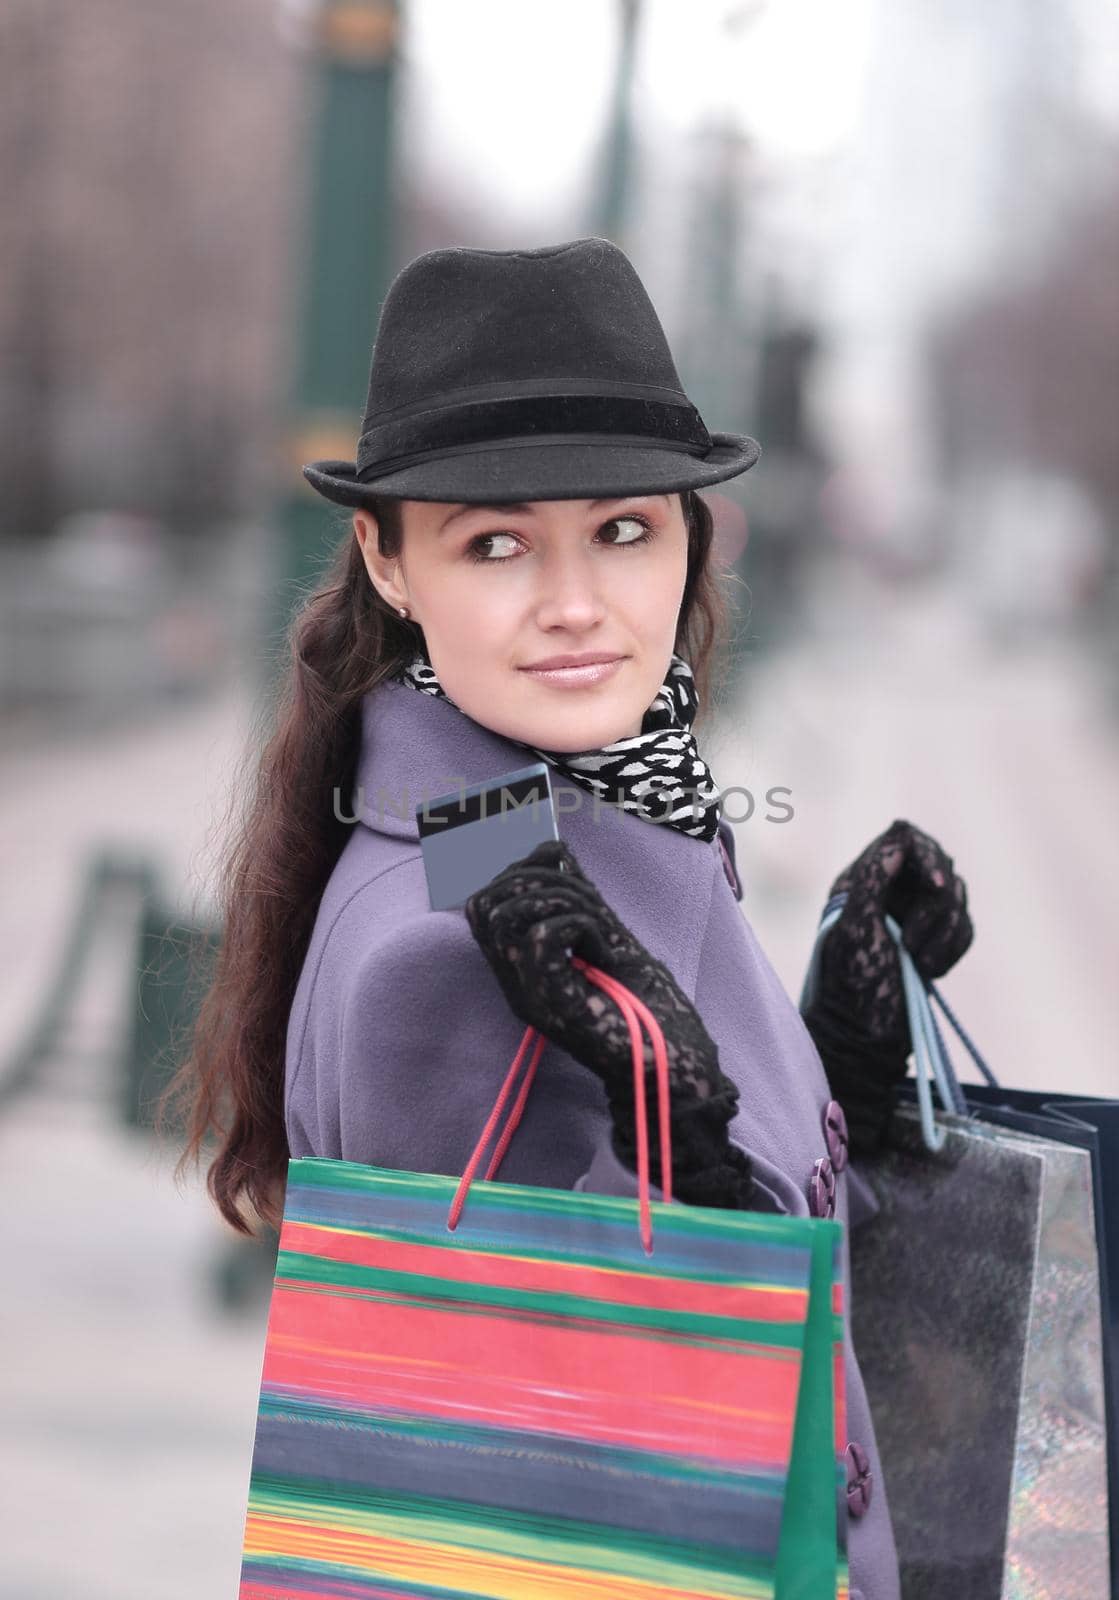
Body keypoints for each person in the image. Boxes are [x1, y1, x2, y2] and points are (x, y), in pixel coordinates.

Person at [172, 238, 973, 1600]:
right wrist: (691, 1177)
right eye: (496, 544)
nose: (577, 606)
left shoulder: (558, 816)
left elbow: (740, 1194)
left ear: (688, 539)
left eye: (623, 529)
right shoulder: (462, 945)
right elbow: (568, 1458)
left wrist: (844, 1063)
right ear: (387, 562)